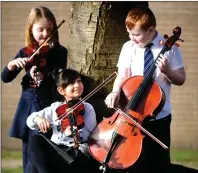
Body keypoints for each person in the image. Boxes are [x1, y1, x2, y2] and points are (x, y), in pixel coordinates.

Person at [104, 6, 186, 173]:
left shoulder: (170, 49)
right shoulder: (128, 47)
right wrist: (115, 91)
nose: (132, 38)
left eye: (136, 34)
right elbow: (122, 75)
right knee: (133, 164)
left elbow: (181, 79)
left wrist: (167, 72)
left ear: (151, 30)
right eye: (130, 33)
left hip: (158, 116)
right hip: (131, 113)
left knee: (159, 164)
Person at [1, 6, 67, 173]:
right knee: (27, 150)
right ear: (31, 29)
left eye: (49, 29)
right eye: (40, 29)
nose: (45, 34)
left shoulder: (59, 52)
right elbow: (5, 77)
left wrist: (42, 75)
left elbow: (58, 77)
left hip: (47, 104)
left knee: (41, 151)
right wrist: (11, 65)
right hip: (27, 105)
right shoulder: (25, 52)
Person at [26, 68, 98, 173]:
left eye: (79, 81)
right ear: (61, 90)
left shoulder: (87, 108)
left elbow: (89, 135)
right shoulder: (56, 107)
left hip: (76, 154)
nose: (77, 85)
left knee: (33, 165)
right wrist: (38, 118)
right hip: (58, 151)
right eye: (71, 83)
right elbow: (29, 122)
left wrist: (75, 134)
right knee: (34, 139)